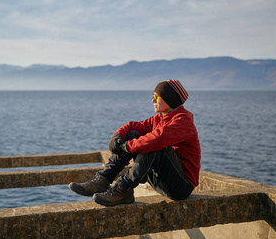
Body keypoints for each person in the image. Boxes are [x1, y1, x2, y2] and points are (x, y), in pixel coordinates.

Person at [69, 79, 201, 206]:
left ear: (169, 98)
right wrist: (118, 136)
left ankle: (122, 189)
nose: (152, 100)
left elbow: (157, 139)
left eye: (156, 97)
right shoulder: (160, 118)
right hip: (161, 180)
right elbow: (134, 126)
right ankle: (103, 179)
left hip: (181, 187)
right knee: (133, 134)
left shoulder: (183, 121)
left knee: (154, 143)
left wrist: (126, 147)